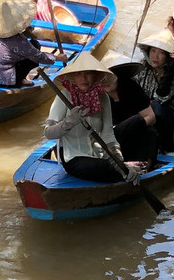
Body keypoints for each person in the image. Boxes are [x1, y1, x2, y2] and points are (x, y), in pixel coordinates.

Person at [44, 54, 143, 184]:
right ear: (73, 77)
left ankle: (127, 170)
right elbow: (48, 133)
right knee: (112, 169)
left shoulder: (103, 98)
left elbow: (108, 133)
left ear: (95, 76)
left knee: (139, 127)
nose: (83, 78)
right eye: (79, 74)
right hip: (73, 158)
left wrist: (117, 158)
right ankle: (128, 170)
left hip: (99, 156)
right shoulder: (64, 97)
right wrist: (69, 122)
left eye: (88, 74)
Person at [0, 0, 65, 87]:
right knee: (34, 45)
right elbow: (39, 56)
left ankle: (22, 77)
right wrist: (57, 57)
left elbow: (26, 7)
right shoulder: (19, 42)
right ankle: (21, 79)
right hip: (3, 80)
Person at [134, 29, 174, 152]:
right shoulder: (142, 67)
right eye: (153, 51)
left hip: (173, 115)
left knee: (156, 107)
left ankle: (168, 147)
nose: (155, 56)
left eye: (161, 53)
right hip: (147, 111)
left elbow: (162, 98)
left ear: (167, 56)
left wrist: (170, 71)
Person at [102, 51, 158, 169]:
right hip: (111, 136)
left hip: (133, 133)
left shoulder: (131, 88)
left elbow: (150, 116)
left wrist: (135, 125)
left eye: (110, 77)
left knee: (150, 132)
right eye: (103, 79)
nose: (106, 82)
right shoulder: (98, 95)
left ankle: (146, 166)